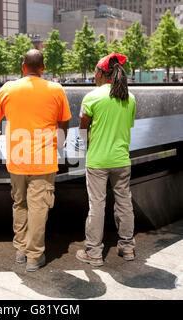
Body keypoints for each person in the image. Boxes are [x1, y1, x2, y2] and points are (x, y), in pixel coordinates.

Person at [0, 49, 71, 272]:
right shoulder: (56, 89)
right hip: (44, 159)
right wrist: (60, 143)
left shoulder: (8, 88)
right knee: (39, 207)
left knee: (20, 203)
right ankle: (34, 257)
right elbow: (64, 122)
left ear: (23, 66)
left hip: (17, 158)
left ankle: (21, 250)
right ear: (43, 68)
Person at [76, 52, 136, 267]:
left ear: (102, 73)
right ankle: (127, 247)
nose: (93, 74)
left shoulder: (92, 97)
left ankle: (93, 253)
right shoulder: (129, 98)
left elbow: (83, 129)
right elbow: (127, 127)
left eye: (95, 70)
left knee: (97, 205)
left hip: (98, 161)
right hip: (121, 160)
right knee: (124, 202)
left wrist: (81, 147)